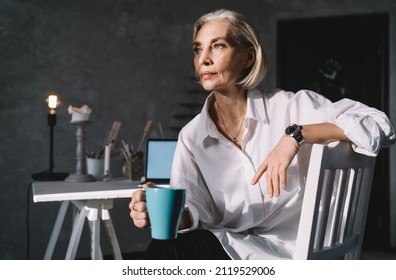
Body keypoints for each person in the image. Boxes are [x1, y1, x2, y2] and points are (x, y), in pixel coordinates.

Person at [129, 9, 395, 259]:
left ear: (248, 56)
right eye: (198, 49)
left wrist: (296, 135)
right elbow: (195, 213)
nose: (204, 58)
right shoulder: (191, 136)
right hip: (237, 250)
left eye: (218, 45)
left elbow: (379, 123)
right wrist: (160, 213)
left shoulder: (292, 107)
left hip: (296, 255)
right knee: (165, 247)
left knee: (165, 254)